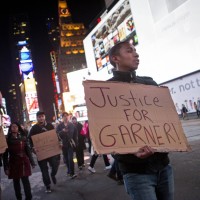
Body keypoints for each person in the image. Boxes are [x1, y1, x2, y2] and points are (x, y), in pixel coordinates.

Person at [107, 41, 174, 200]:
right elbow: (106, 135)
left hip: (163, 166)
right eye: (129, 51)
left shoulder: (150, 83)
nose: (136, 54)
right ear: (116, 58)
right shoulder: (105, 91)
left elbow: (164, 118)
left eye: (136, 51)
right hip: (136, 173)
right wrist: (130, 151)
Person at [28, 111, 61, 193]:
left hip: (51, 151)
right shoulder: (34, 128)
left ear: (44, 117)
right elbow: (29, 140)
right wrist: (32, 148)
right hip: (41, 153)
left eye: (42, 116)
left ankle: (53, 174)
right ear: (37, 118)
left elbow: (56, 136)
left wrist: (59, 143)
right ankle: (48, 185)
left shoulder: (50, 125)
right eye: (39, 117)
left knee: (55, 165)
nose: (41, 118)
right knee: (44, 170)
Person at [3, 122, 36, 200]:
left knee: (25, 181)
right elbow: (5, 156)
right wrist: (6, 168)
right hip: (13, 162)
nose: (14, 128)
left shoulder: (23, 138)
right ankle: (19, 198)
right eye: (12, 126)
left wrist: (32, 162)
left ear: (18, 128)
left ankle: (29, 197)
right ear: (10, 129)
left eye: (16, 126)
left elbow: (28, 151)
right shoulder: (7, 140)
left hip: (24, 162)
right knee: (16, 182)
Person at [56, 112, 78, 179]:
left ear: (68, 117)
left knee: (70, 158)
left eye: (66, 116)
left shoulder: (71, 125)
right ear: (62, 117)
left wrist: (76, 143)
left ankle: (72, 173)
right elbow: (57, 135)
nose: (65, 117)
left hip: (70, 144)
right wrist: (62, 131)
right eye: (64, 116)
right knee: (66, 159)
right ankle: (69, 170)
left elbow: (75, 134)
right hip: (63, 145)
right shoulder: (59, 126)